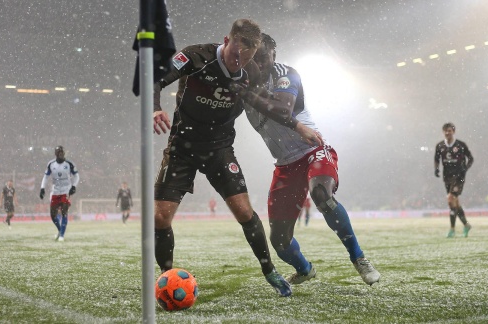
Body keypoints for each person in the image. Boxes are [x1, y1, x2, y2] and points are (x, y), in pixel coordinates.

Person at [151, 19, 322, 297]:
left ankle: (270, 271)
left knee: (244, 212)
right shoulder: (196, 56)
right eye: (234, 55)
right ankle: (166, 278)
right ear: (226, 41)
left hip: (219, 149)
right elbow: (156, 79)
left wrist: (298, 125)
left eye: (247, 58)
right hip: (182, 146)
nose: (238, 63)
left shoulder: (249, 71)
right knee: (160, 217)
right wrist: (156, 108)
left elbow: (267, 104)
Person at [239, 33, 381, 286]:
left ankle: (359, 258)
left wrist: (243, 93)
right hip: (284, 165)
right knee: (279, 241)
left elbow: (283, 109)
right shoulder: (241, 80)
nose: (259, 64)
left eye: (264, 58)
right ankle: (305, 270)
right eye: (254, 58)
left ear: (274, 55)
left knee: (321, 195)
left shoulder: (285, 74)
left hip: (312, 149)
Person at [434, 122, 474, 238]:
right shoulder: (440, 146)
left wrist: (465, 168)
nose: (447, 133)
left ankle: (452, 229)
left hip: (459, 177)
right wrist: (436, 169)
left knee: (451, 199)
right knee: (454, 203)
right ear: (443, 132)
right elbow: (436, 159)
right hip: (447, 177)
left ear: (453, 131)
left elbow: (470, 158)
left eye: (449, 131)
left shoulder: (461, 145)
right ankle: (466, 225)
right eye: (445, 131)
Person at [39, 146, 79, 242]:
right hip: (55, 191)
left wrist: (74, 186)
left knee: (64, 211)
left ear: (64, 153)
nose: (60, 153)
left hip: (66, 190)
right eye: (58, 152)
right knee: (53, 215)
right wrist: (42, 188)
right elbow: (45, 177)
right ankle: (60, 229)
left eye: (62, 152)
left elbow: (77, 176)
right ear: (56, 154)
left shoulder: (69, 164)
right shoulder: (51, 164)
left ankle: (62, 235)